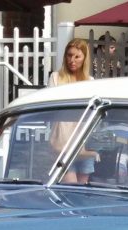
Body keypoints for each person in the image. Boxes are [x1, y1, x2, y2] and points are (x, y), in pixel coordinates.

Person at [48, 39, 96, 184]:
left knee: (82, 192)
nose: (72, 60)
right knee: (71, 187)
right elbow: (52, 107)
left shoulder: (90, 81)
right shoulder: (56, 78)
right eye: (69, 55)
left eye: (77, 56)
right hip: (63, 144)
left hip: (84, 143)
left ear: (84, 59)